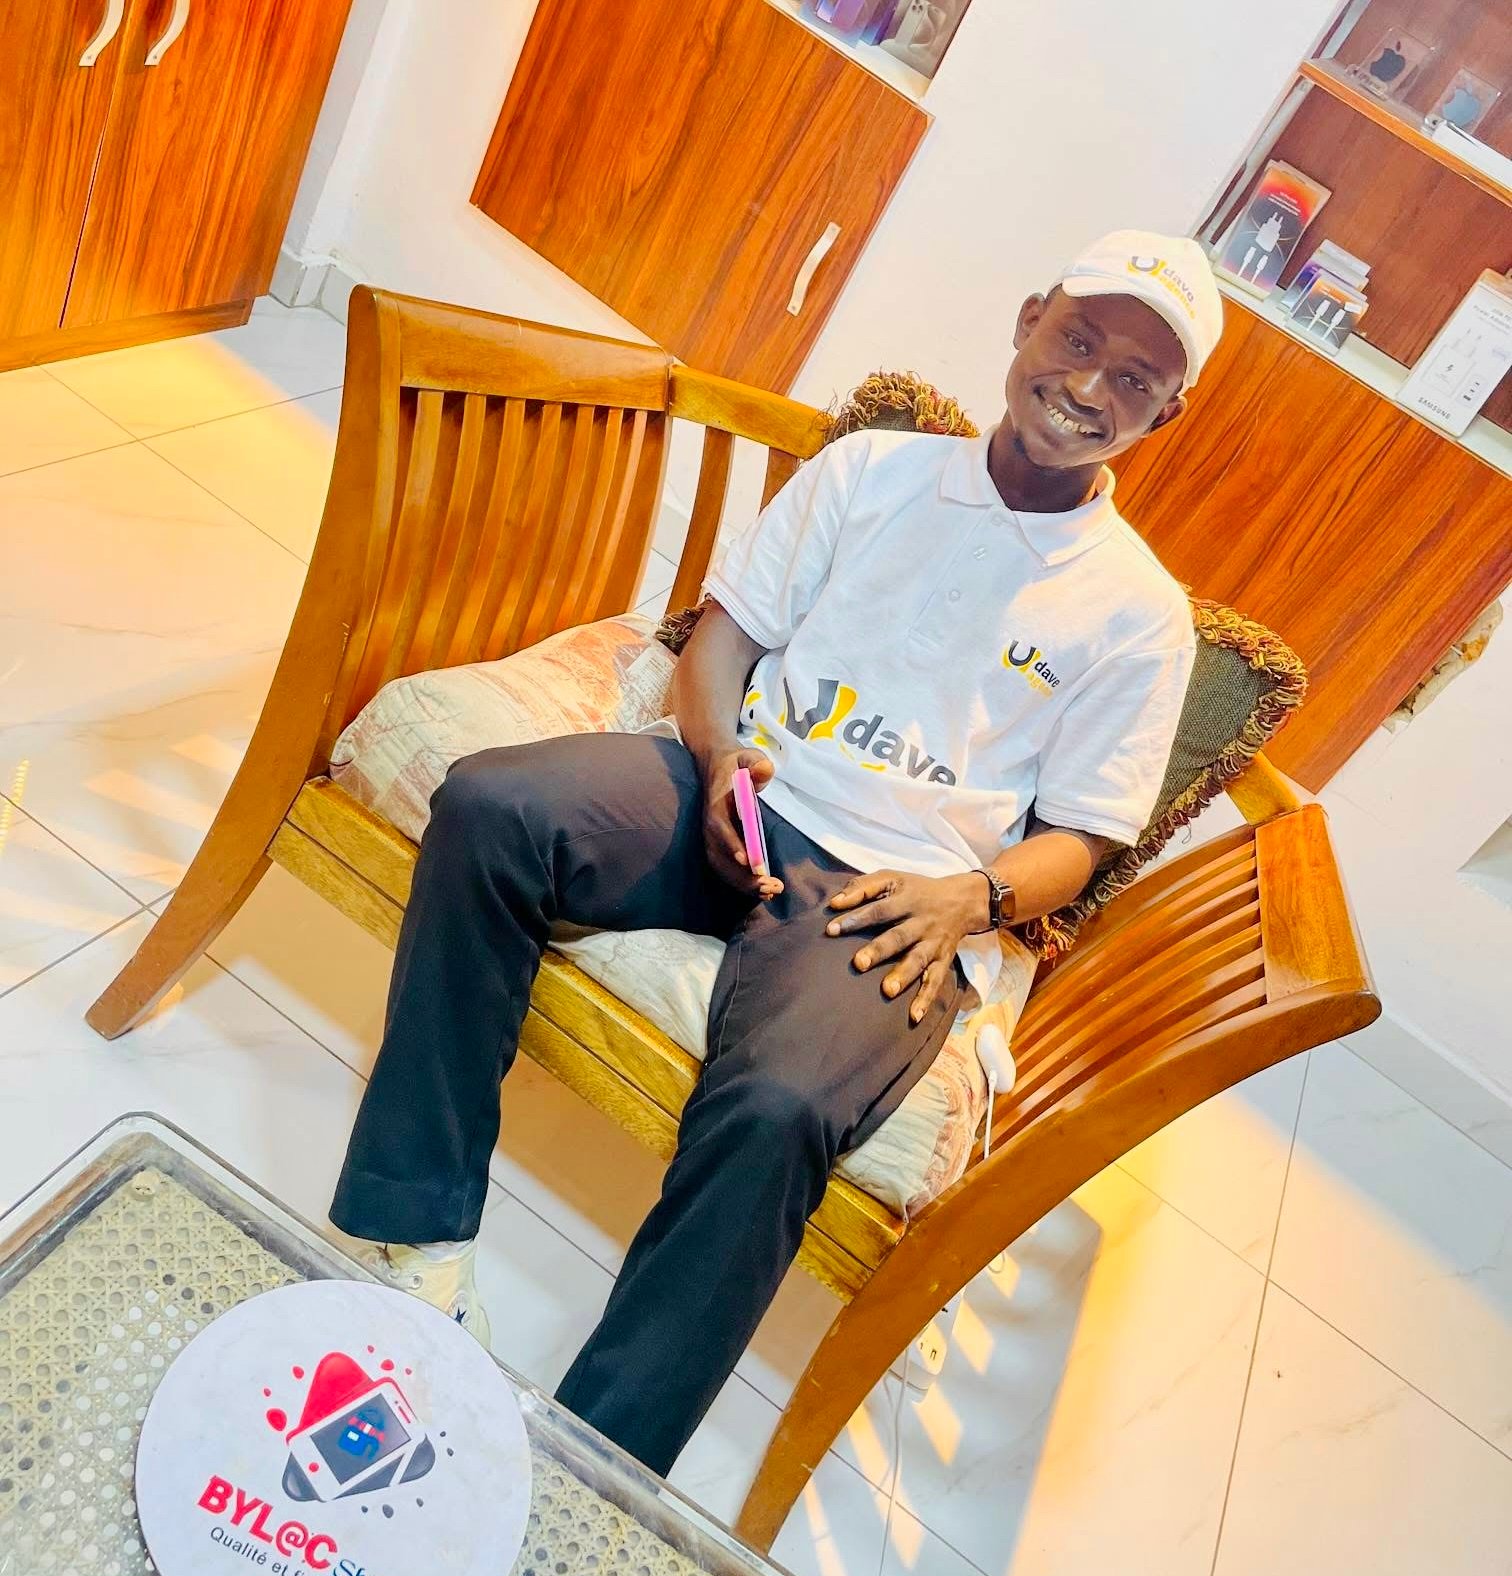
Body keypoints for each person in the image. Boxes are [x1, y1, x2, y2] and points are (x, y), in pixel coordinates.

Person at [329, 229, 1222, 1477]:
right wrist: (712, 760)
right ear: (1028, 320)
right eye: (1078, 338)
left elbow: (1080, 835)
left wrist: (967, 901)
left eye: (1133, 378)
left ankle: (599, 1456)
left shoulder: (1139, 613)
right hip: (741, 795)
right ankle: (411, 1234)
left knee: (782, 1106)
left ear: (1163, 416)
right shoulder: (874, 472)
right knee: (492, 806)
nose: (1088, 384)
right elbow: (725, 643)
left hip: (889, 894)